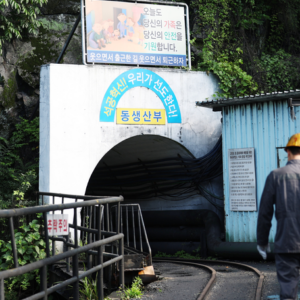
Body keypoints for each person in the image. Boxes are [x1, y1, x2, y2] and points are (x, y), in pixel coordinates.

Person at [257, 133, 300, 300]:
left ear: (287, 151)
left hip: (286, 243)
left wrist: (262, 242)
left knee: (288, 290)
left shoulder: (276, 175)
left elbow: (265, 212)